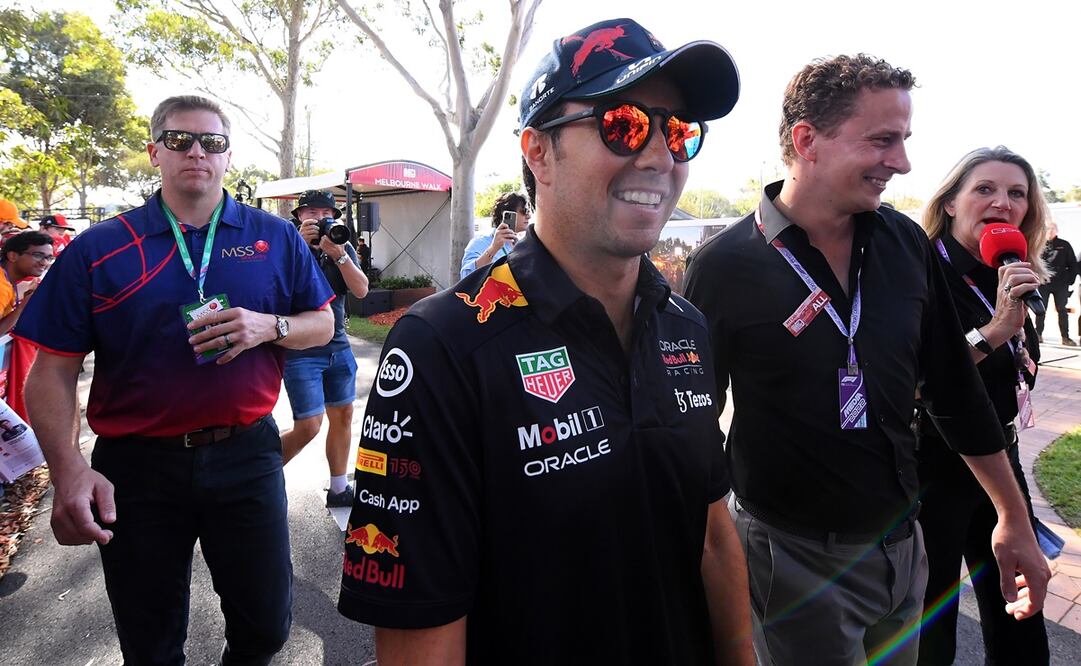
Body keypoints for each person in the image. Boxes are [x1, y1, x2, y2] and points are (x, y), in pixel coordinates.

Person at [338, 18, 753, 664]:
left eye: (676, 132)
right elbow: (421, 632)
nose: (657, 157)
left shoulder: (684, 327)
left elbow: (710, 534)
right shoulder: (441, 348)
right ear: (537, 152)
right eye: (622, 124)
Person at [683, 55, 1050, 664]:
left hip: (904, 547)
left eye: (904, 141)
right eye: (883, 140)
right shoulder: (724, 268)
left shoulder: (904, 242)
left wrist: (1011, 514)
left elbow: (954, 392)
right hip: (794, 561)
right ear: (808, 141)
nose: (902, 162)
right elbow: (692, 438)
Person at [14, 95, 334, 665]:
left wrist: (270, 325)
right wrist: (69, 472)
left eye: (211, 143)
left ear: (228, 156)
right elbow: (52, 372)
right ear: (154, 151)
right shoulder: (100, 248)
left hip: (247, 455)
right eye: (180, 139)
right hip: (136, 469)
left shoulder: (275, 238)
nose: (196, 152)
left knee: (265, 628)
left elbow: (324, 324)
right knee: (151, 642)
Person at [916, 146, 1051, 664]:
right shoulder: (919, 269)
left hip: (1002, 455)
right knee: (930, 625)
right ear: (950, 202)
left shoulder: (1011, 269)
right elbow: (911, 378)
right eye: (985, 189)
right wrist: (994, 331)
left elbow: (1020, 363)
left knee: (1021, 611)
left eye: (1017, 193)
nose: (1003, 202)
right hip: (932, 464)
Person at [281, 189, 369, 507]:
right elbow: (274, 288)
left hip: (339, 345)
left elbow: (361, 290)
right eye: (311, 212)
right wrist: (301, 246)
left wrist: (339, 255)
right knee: (308, 426)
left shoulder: (340, 243)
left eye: (325, 213)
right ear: (299, 216)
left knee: (343, 415)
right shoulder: (287, 243)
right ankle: (258, 478)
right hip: (301, 349)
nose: (319, 218)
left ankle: (338, 488)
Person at [458, 191, 530, 278]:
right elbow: (466, 276)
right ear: (507, 214)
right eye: (524, 211)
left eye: (529, 212)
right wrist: (493, 249)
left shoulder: (522, 244)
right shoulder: (481, 241)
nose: (528, 216)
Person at [0, 231, 52, 336]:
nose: (44, 263)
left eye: (49, 258)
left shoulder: (7, 280)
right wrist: (23, 307)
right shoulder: (1, 286)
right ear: (13, 256)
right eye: (38, 255)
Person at [1035, 221, 1078, 345]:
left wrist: (1070, 280)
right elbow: (1033, 263)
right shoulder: (1039, 244)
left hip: (1061, 284)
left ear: (1056, 230)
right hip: (1043, 284)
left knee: (1062, 310)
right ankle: (1038, 334)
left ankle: (1065, 337)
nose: (1050, 231)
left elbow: (1073, 265)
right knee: (1040, 310)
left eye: (1052, 229)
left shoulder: (1064, 245)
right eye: (1047, 229)